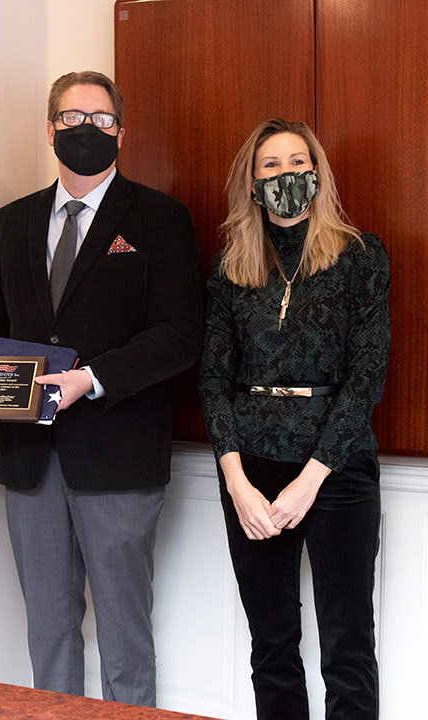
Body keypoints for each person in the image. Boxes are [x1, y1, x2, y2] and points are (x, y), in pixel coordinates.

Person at [0, 71, 203, 704]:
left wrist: (90, 379)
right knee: (49, 629)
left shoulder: (160, 218)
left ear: (121, 130)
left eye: (98, 117)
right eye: (70, 117)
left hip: (118, 457)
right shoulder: (13, 221)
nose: (84, 129)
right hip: (31, 462)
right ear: (49, 130)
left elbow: (180, 334)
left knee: (124, 632)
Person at [199, 118, 390, 720]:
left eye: (298, 163)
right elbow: (212, 379)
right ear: (251, 184)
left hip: (337, 472)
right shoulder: (231, 268)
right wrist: (237, 484)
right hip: (251, 475)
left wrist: (310, 480)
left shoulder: (361, 258)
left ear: (318, 172)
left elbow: (367, 377)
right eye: (272, 166)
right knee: (272, 646)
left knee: (347, 645)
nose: (287, 175)